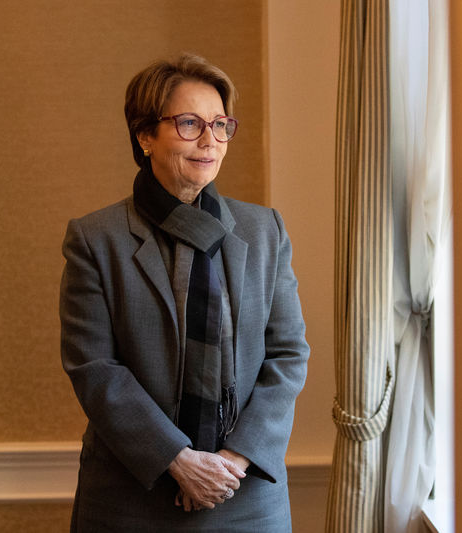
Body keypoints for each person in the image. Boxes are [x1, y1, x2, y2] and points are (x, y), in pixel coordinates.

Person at [59, 53, 310, 532]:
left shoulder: (265, 231)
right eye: (190, 123)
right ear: (145, 135)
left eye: (220, 125)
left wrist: (230, 463)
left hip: (245, 493)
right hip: (132, 497)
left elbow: (288, 354)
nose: (210, 141)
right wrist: (178, 460)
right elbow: (94, 368)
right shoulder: (96, 239)